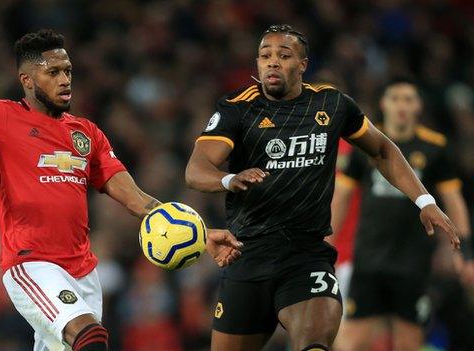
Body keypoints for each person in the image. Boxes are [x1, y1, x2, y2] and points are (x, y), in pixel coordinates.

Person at [0, 29, 241, 351]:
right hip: (32, 263)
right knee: (90, 336)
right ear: (27, 80)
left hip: (83, 271)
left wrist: (200, 233)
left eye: (68, 70)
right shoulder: (1, 116)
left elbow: (136, 199)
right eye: (54, 71)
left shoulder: (86, 133)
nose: (65, 79)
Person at [184, 24, 461, 351]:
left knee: (315, 344)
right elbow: (196, 169)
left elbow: (383, 149)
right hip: (247, 254)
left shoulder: (332, 105)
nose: (272, 62)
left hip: (307, 256)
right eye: (265, 56)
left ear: (302, 65)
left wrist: (425, 200)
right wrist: (229, 179)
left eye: (283, 55)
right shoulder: (237, 108)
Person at [330, 78, 473, 351]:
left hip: (413, 263)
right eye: (395, 98)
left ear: (418, 105)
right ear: (384, 103)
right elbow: (342, 198)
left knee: (408, 342)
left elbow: (454, 202)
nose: (402, 106)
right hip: (368, 258)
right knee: (351, 342)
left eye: (408, 99)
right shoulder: (366, 145)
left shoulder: (435, 147)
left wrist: (464, 252)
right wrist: (326, 245)